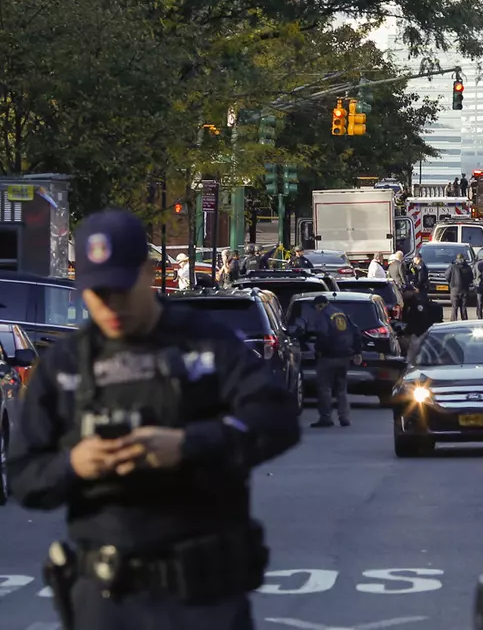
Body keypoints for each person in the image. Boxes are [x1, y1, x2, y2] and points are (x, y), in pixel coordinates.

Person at [7, 209, 300, 630]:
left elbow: (276, 418)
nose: (109, 305)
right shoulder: (65, 365)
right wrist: (75, 464)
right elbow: (22, 475)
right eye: (95, 292)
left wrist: (187, 445)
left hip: (202, 593)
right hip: (106, 597)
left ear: (148, 272)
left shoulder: (204, 341)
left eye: (121, 289)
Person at [309, 295, 362, 428]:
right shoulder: (341, 313)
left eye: (316, 308)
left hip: (328, 357)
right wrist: (357, 351)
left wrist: (319, 350)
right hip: (344, 356)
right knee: (341, 389)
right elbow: (356, 331)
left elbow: (322, 335)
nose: (316, 311)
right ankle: (344, 417)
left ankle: (326, 417)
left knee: (325, 388)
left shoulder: (323, 315)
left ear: (320, 305)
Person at [445, 253, 474, 321]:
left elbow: (447, 275)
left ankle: (453, 322)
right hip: (464, 289)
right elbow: (471, 278)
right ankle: (464, 321)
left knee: (454, 307)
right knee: (463, 307)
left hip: (454, 289)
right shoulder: (467, 267)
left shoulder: (453, 266)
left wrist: (451, 283)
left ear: (457, 258)